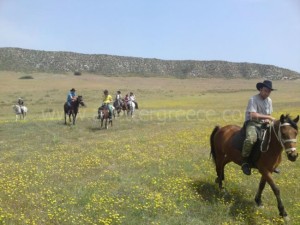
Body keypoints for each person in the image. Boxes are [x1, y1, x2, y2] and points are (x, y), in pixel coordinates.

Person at [241, 80, 276, 175]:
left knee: (273, 138)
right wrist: (268, 117)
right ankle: (244, 161)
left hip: (263, 124)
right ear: (260, 89)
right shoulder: (253, 99)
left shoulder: (269, 101)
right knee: (251, 139)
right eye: (265, 90)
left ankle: (270, 163)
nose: (267, 93)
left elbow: (268, 114)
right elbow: (252, 115)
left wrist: (267, 120)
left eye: (269, 91)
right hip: (252, 123)